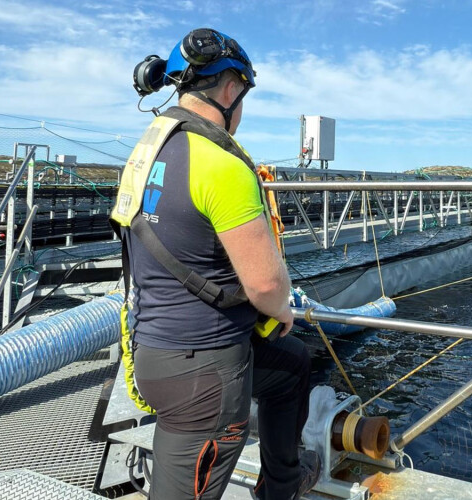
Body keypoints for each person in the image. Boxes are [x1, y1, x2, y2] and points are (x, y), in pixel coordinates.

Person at [112, 29, 319, 500]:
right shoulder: (222, 165)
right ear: (230, 89)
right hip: (203, 380)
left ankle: (281, 486)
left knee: (292, 365)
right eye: (242, 96)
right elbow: (266, 284)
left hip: (153, 349)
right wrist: (282, 308)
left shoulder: (150, 150)